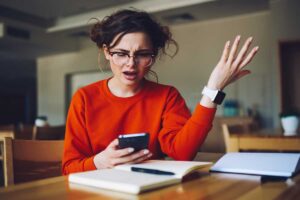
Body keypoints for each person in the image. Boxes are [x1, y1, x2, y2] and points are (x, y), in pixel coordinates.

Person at [62, 9, 258, 175]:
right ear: (106, 51)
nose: (131, 63)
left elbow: (182, 154)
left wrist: (213, 90)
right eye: (121, 54)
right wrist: (99, 161)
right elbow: (69, 168)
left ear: (153, 56)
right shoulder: (84, 98)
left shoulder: (167, 96)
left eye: (142, 54)